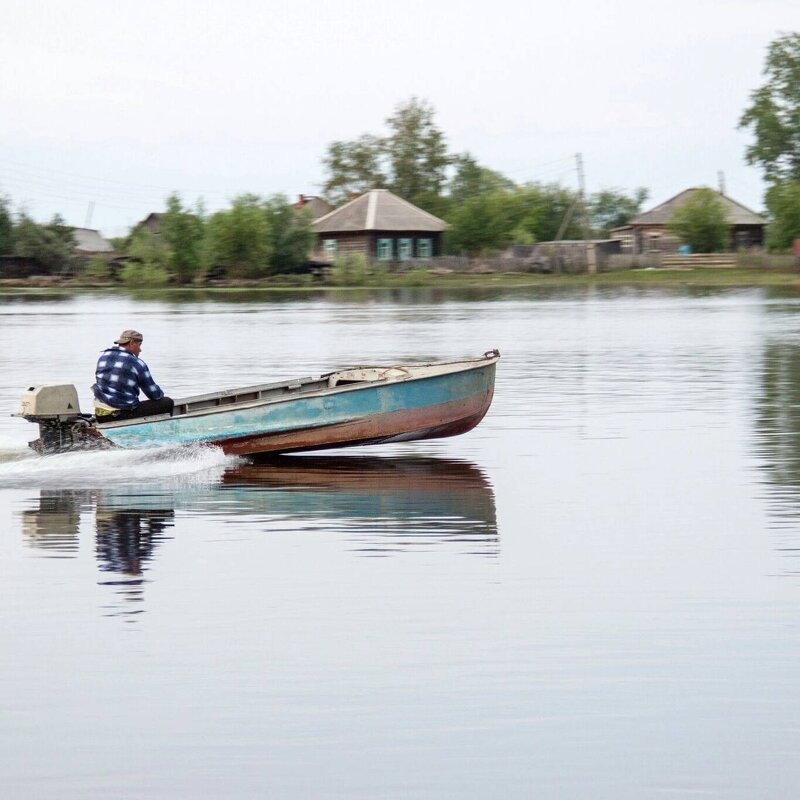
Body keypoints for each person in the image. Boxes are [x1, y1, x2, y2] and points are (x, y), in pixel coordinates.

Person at [92, 329, 174, 421]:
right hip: (121, 414)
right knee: (167, 402)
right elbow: (154, 394)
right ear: (132, 343)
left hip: (100, 415)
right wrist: (160, 394)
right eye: (139, 345)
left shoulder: (103, 357)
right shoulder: (136, 363)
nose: (140, 350)